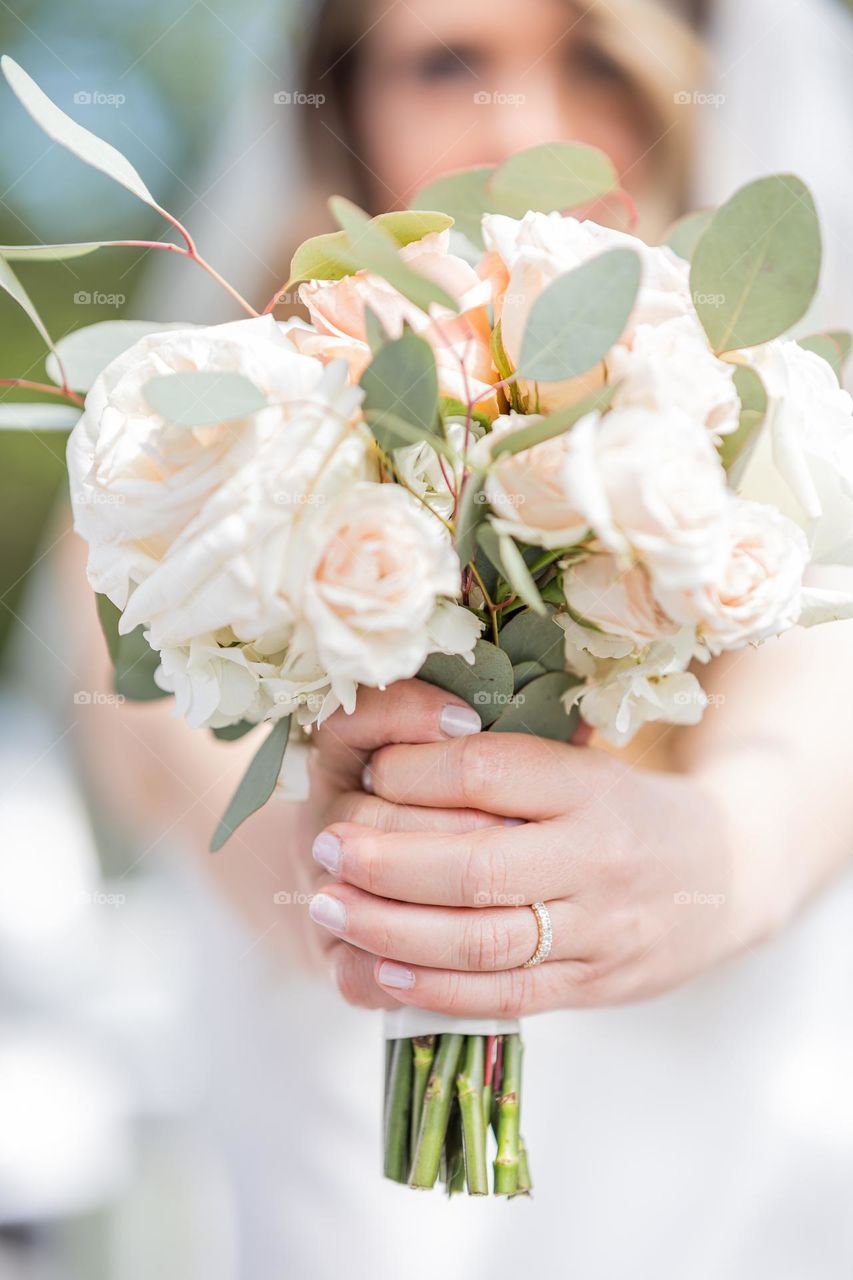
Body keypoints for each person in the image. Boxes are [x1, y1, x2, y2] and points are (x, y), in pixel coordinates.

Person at [64, 0, 853, 1276]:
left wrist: (723, 860)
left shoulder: (760, 423)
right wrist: (347, 879)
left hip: (713, 1177)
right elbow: (136, 694)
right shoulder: (210, 424)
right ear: (344, 105)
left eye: (595, 58)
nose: (529, 126)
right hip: (336, 1164)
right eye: (448, 62)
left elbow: (827, 694)